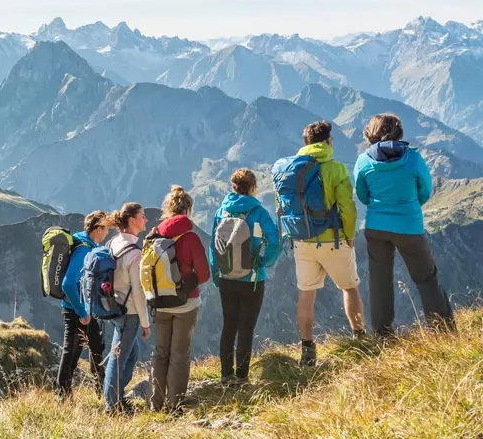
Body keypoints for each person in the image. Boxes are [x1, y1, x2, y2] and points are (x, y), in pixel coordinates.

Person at [354, 113, 456, 336]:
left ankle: (383, 335)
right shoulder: (413, 159)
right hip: (409, 227)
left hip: (376, 227)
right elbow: (425, 191)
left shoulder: (363, 161)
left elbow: (362, 195)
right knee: (426, 279)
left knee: (379, 281)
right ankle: (443, 332)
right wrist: (408, 205)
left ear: (371, 133)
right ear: (399, 132)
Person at [282, 121, 366, 367]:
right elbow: (347, 207)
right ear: (328, 141)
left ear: (306, 142)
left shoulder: (290, 170)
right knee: (349, 288)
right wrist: (349, 235)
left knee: (306, 294)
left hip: (302, 240)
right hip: (333, 239)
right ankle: (360, 339)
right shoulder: (336, 169)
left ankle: (307, 351)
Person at [210, 168, 281, 385]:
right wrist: (263, 262)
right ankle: (241, 377)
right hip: (252, 279)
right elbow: (275, 242)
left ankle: (225, 375)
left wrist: (217, 274)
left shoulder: (222, 211)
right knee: (246, 328)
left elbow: (213, 247)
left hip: (226, 278)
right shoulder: (258, 212)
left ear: (234, 187)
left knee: (229, 326)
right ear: (253, 187)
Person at [148, 185, 210, 414]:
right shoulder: (191, 238)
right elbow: (204, 275)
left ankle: (155, 403)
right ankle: (174, 404)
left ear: (168, 208)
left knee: (160, 352)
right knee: (179, 354)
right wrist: (188, 281)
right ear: (188, 210)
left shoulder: (153, 235)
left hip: (159, 302)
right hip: (185, 304)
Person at [56, 210, 110, 397]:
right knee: (71, 351)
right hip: (76, 310)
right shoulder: (84, 250)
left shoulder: (84, 242)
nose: (107, 233)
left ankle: (101, 390)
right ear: (98, 228)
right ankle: (63, 395)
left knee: (95, 347)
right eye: (106, 229)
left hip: (85, 309)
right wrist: (82, 312)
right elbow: (68, 284)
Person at [103, 202, 150, 414]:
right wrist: (145, 323)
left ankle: (116, 395)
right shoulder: (135, 253)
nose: (145, 220)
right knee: (119, 357)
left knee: (131, 353)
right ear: (132, 220)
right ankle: (112, 405)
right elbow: (139, 292)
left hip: (114, 306)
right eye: (142, 216)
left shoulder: (113, 242)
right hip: (129, 311)